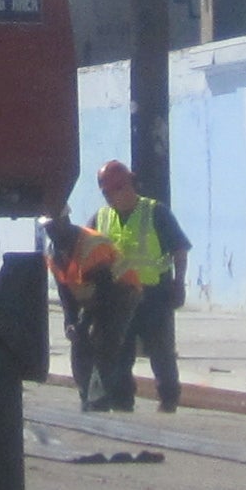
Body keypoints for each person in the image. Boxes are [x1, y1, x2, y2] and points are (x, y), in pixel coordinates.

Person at [88, 159, 192, 414]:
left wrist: (179, 283)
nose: (113, 197)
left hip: (154, 295)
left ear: (128, 186)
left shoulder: (155, 212)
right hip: (119, 298)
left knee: (161, 353)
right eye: (108, 193)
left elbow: (179, 249)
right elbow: (85, 250)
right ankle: (123, 403)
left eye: (118, 190)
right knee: (120, 354)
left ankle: (168, 399)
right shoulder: (101, 218)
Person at [40, 213, 128, 412]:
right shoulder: (54, 253)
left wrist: (85, 320)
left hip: (121, 292)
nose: (50, 232)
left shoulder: (91, 245)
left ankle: (103, 399)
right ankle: (86, 395)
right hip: (91, 297)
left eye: (53, 226)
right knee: (79, 342)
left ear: (65, 222)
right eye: (47, 228)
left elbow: (105, 290)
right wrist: (70, 321)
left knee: (104, 341)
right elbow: (65, 291)